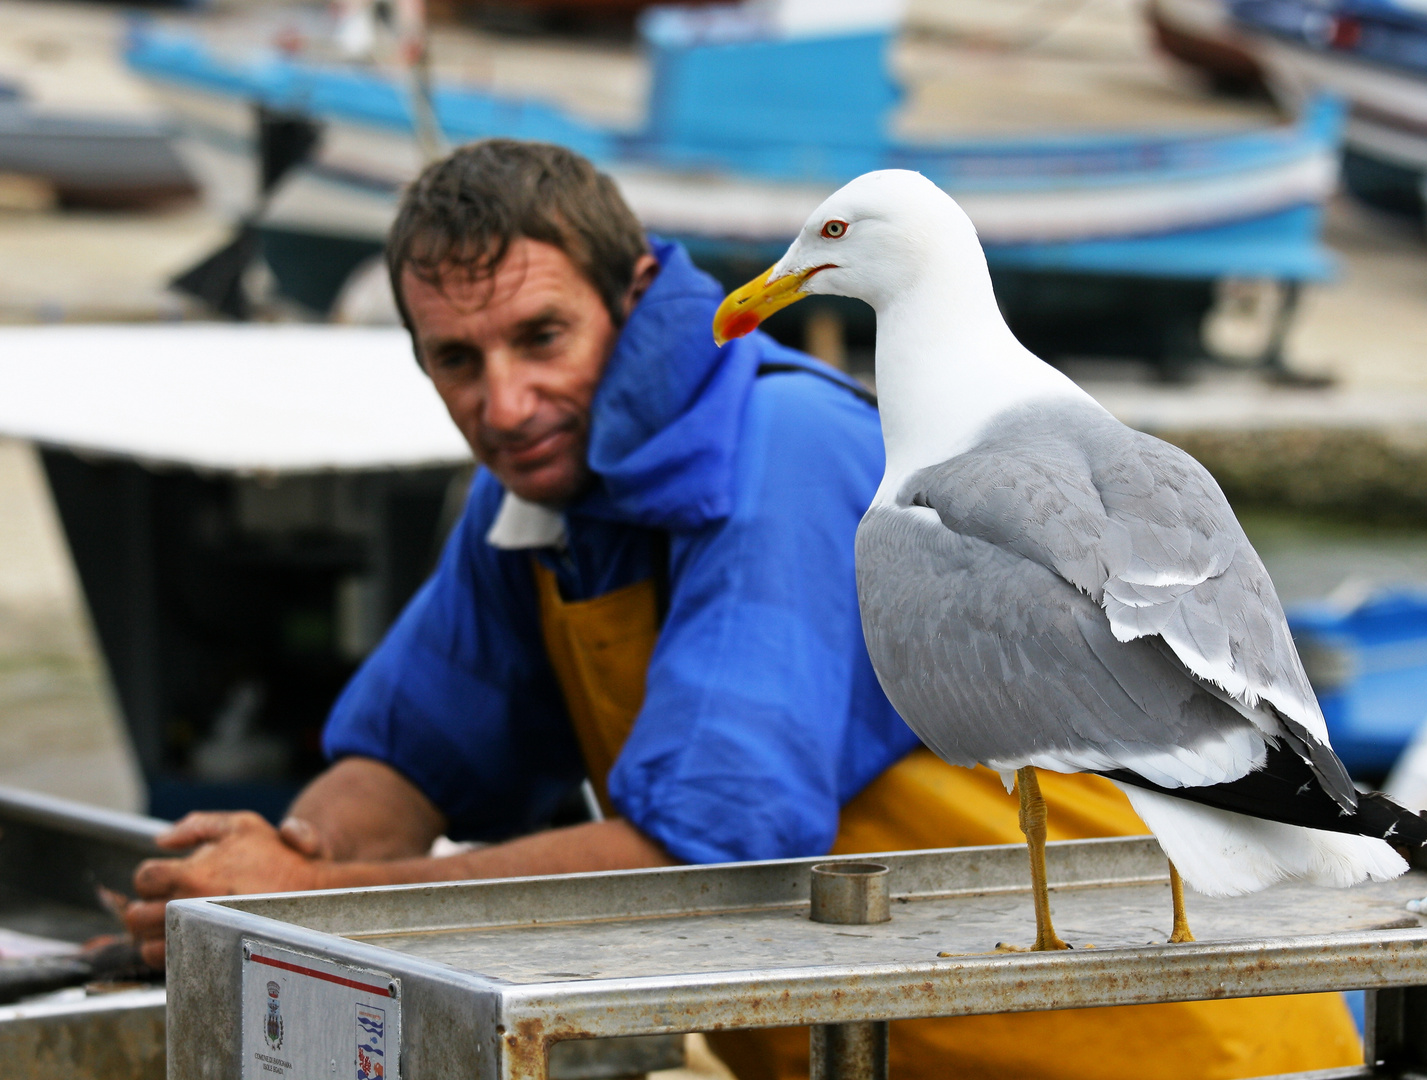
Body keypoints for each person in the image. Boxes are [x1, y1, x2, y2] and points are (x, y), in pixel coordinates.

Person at [126, 139, 1364, 1080]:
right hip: (897, 1043)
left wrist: (294, 905)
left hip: (1168, 1042)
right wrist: (284, 858)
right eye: (458, 360)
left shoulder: (789, 456)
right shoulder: (537, 498)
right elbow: (413, 754)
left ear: (633, 295)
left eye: (539, 336)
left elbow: (712, 853)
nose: (504, 401)